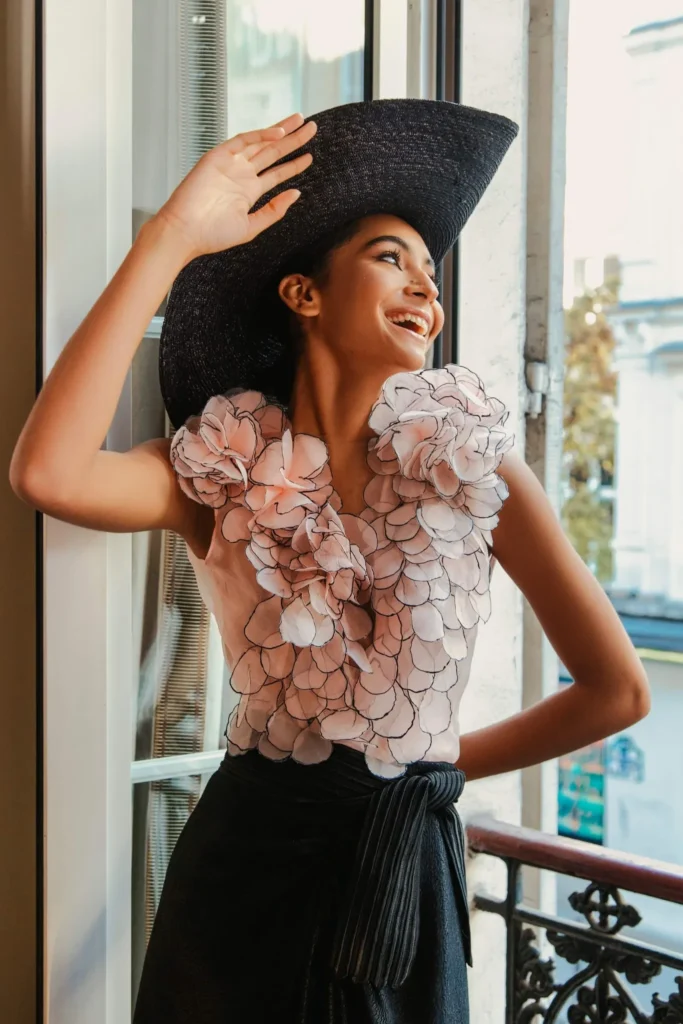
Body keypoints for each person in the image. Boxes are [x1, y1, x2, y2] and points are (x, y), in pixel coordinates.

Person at [9, 100, 650, 1023]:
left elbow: (616, 690)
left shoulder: (474, 465)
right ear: (301, 293)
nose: (426, 289)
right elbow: (47, 471)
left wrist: (427, 766)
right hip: (243, 863)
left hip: (401, 872)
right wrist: (170, 242)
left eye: (433, 274)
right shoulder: (218, 474)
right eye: (391, 257)